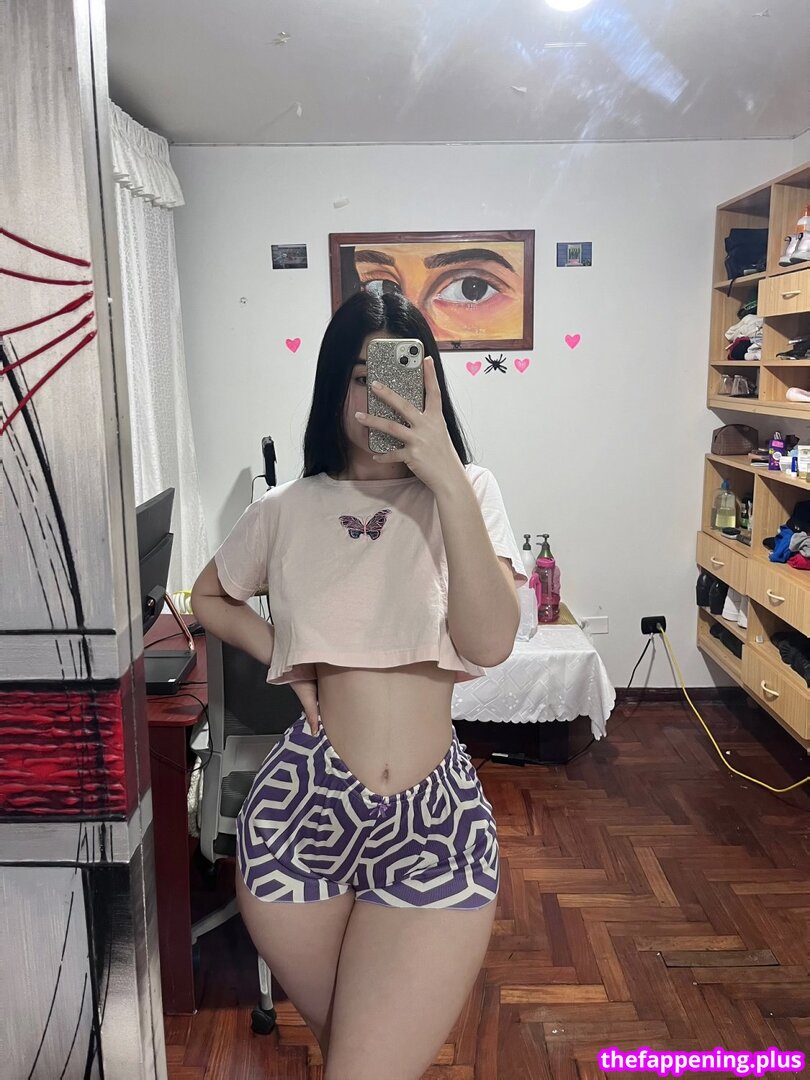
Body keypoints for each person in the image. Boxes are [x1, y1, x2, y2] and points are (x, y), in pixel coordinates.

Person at [190, 290, 527, 1079]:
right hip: (299, 815)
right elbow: (210, 597)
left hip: (433, 825)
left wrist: (446, 478)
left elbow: (489, 642)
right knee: (354, 1056)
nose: (380, 397)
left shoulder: (469, 493)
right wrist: (287, 658)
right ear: (332, 387)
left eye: (400, 375)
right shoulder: (286, 507)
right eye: (360, 378)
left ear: (430, 384)